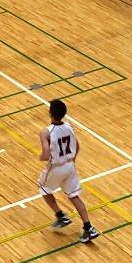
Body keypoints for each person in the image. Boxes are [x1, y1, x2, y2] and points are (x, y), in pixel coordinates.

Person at [38, 99, 99, 243]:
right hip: (70, 165)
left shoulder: (45, 132)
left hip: (56, 167)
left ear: (50, 113)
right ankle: (88, 228)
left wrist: (41, 157)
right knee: (74, 196)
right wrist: (72, 160)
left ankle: (60, 216)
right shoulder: (69, 127)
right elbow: (77, 146)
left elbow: (45, 155)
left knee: (43, 188)